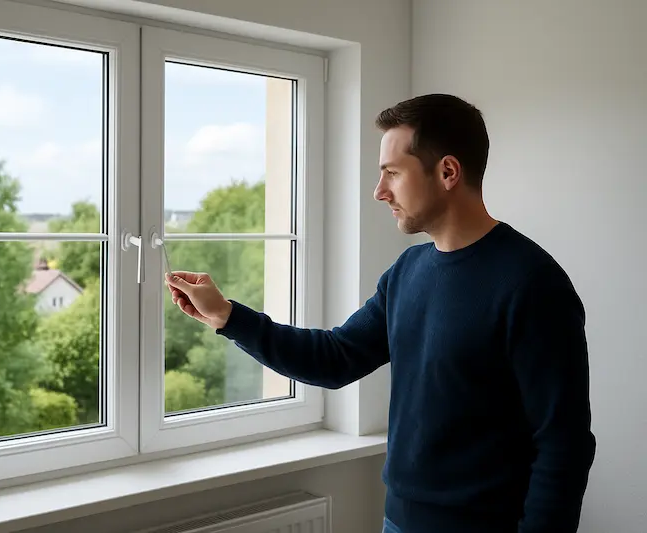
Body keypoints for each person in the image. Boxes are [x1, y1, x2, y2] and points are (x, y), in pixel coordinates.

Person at [165, 93, 596, 533]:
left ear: (448, 171)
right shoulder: (407, 272)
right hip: (398, 522)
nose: (379, 190)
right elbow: (334, 357)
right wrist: (227, 316)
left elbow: (563, 445)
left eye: (392, 172)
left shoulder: (532, 285)